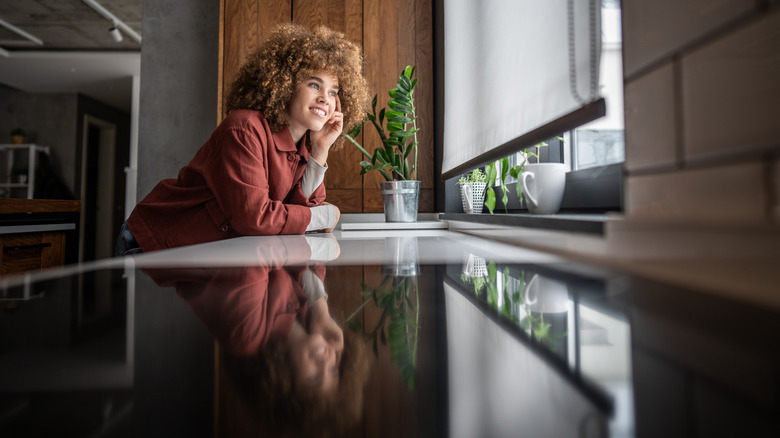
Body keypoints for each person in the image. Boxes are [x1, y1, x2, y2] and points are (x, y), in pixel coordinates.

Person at [115, 23, 370, 255]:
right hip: (154, 243)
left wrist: (321, 150)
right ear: (285, 85)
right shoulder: (244, 128)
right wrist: (325, 216)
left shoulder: (306, 145)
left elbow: (301, 215)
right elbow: (256, 218)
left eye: (333, 91)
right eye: (314, 85)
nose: (326, 98)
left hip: (204, 254)